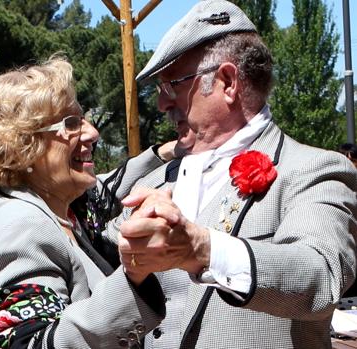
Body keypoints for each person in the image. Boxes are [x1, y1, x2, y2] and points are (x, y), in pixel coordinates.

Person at [105, 1, 357, 348]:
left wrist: (202, 248)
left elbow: (321, 277)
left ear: (227, 82)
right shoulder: (151, 185)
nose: (162, 104)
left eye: (172, 85)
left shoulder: (312, 170)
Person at [0, 56, 166, 348]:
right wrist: (134, 276)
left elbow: (110, 183)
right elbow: (33, 343)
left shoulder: (62, 211)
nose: (92, 132)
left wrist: (165, 153)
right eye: (72, 123)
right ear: (23, 145)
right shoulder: (22, 223)